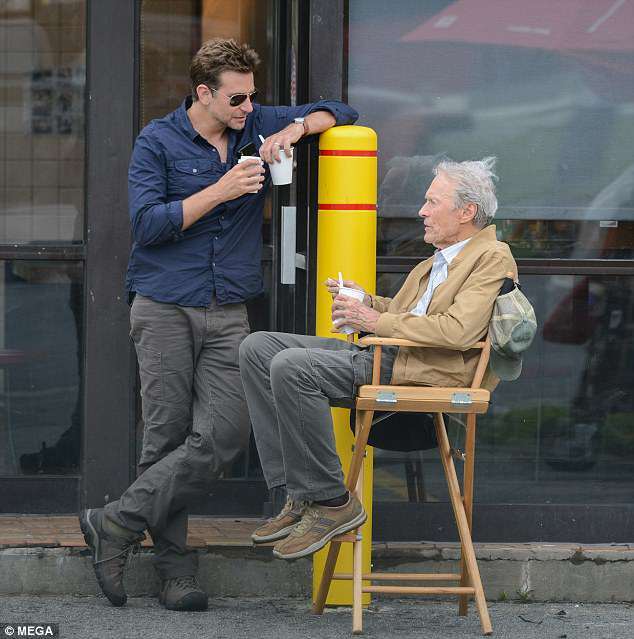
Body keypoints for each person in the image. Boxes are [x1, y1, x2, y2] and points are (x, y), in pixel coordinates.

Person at [79, 37, 358, 611]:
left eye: (253, 97)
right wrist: (222, 189)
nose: (249, 108)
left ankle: (115, 522)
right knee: (165, 437)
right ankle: (174, 572)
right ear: (203, 93)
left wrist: (296, 130)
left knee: (228, 432)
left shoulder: (254, 123)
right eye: (237, 98)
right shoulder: (157, 141)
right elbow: (147, 225)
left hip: (229, 308)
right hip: (164, 304)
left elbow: (341, 110)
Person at [239, 156, 518, 560]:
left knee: (292, 367)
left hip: (422, 371)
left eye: (432, 201)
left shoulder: (491, 257)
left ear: (466, 211)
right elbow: (408, 315)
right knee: (257, 348)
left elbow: (458, 331)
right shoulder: (439, 260)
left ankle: (331, 501)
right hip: (390, 356)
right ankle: (295, 494)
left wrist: (373, 319)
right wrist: (366, 302)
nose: (421, 211)